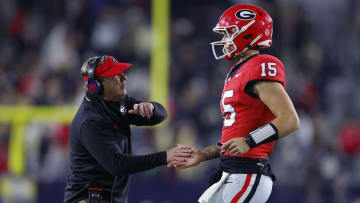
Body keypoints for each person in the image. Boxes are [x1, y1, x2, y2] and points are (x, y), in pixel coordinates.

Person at [169, 4, 300, 203]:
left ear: (248, 34)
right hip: (231, 172)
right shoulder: (236, 72)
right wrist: (203, 155)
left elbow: (290, 120)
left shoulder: (261, 65)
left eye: (228, 33)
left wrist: (249, 141)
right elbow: (235, 136)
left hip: (248, 174)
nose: (223, 40)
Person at [63, 55, 192, 203]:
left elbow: (161, 116)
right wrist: (165, 157)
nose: (124, 78)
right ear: (96, 85)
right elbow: (117, 164)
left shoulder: (118, 102)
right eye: (115, 75)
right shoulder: (90, 121)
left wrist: (151, 108)